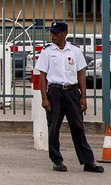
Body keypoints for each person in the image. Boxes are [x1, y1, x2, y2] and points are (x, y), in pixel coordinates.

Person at [36, 21, 104, 173]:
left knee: (78, 126)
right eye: (51, 33)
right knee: (54, 127)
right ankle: (57, 160)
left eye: (56, 33)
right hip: (55, 92)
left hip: (72, 92)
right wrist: (44, 97)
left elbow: (81, 74)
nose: (52, 36)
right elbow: (42, 76)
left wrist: (83, 96)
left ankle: (88, 162)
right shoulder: (47, 52)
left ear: (64, 33)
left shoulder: (74, 51)